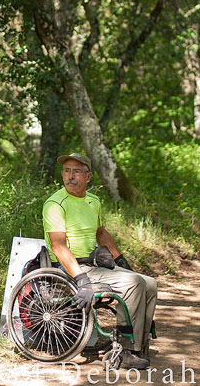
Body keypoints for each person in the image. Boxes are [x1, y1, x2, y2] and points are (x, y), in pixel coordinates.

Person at [42, 152, 157, 370]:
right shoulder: (55, 204)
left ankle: (139, 343)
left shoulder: (93, 201)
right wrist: (81, 279)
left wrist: (121, 261)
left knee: (148, 282)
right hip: (70, 269)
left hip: (93, 265)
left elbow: (101, 233)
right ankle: (125, 350)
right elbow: (57, 246)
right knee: (133, 284)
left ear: (88, 177)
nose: (70, 176)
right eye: (66, 171)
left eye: (76, 171)